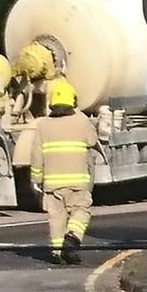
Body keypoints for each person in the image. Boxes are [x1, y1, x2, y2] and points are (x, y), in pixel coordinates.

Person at [31, 78, 99, 265]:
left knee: (56, 217)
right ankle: (73, 237)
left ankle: (57, 252)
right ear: (73, 101)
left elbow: (36, 155)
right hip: (78, 182)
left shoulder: (43, 125)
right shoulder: (82, 121)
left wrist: (36, 179)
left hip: (52, 184)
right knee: (80, 212)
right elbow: (92, 142)